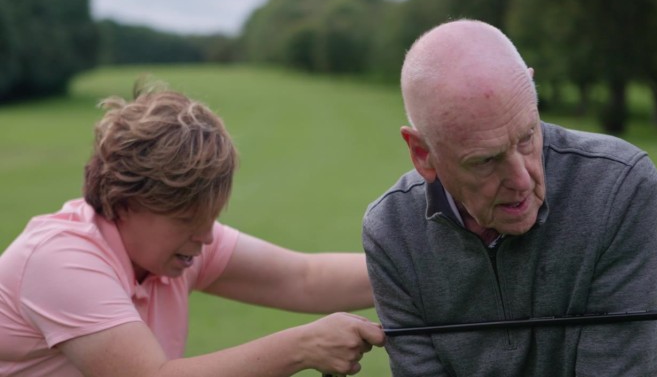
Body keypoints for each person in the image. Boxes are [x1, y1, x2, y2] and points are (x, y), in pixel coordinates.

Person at [363, 19, 657, 376]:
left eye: (527, 136)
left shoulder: (618, 184)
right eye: (485, 160)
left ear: (529, 90)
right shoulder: (391, 231)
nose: (522, 179)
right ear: (423, 154)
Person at [0, 81, 385, 377]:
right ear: (125, 201)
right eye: (186, 219)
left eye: (210, 218)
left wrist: (427, 267)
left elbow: (305, 278)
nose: (205, 237)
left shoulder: (175, 247)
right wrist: (302, 346)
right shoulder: (60, 260)